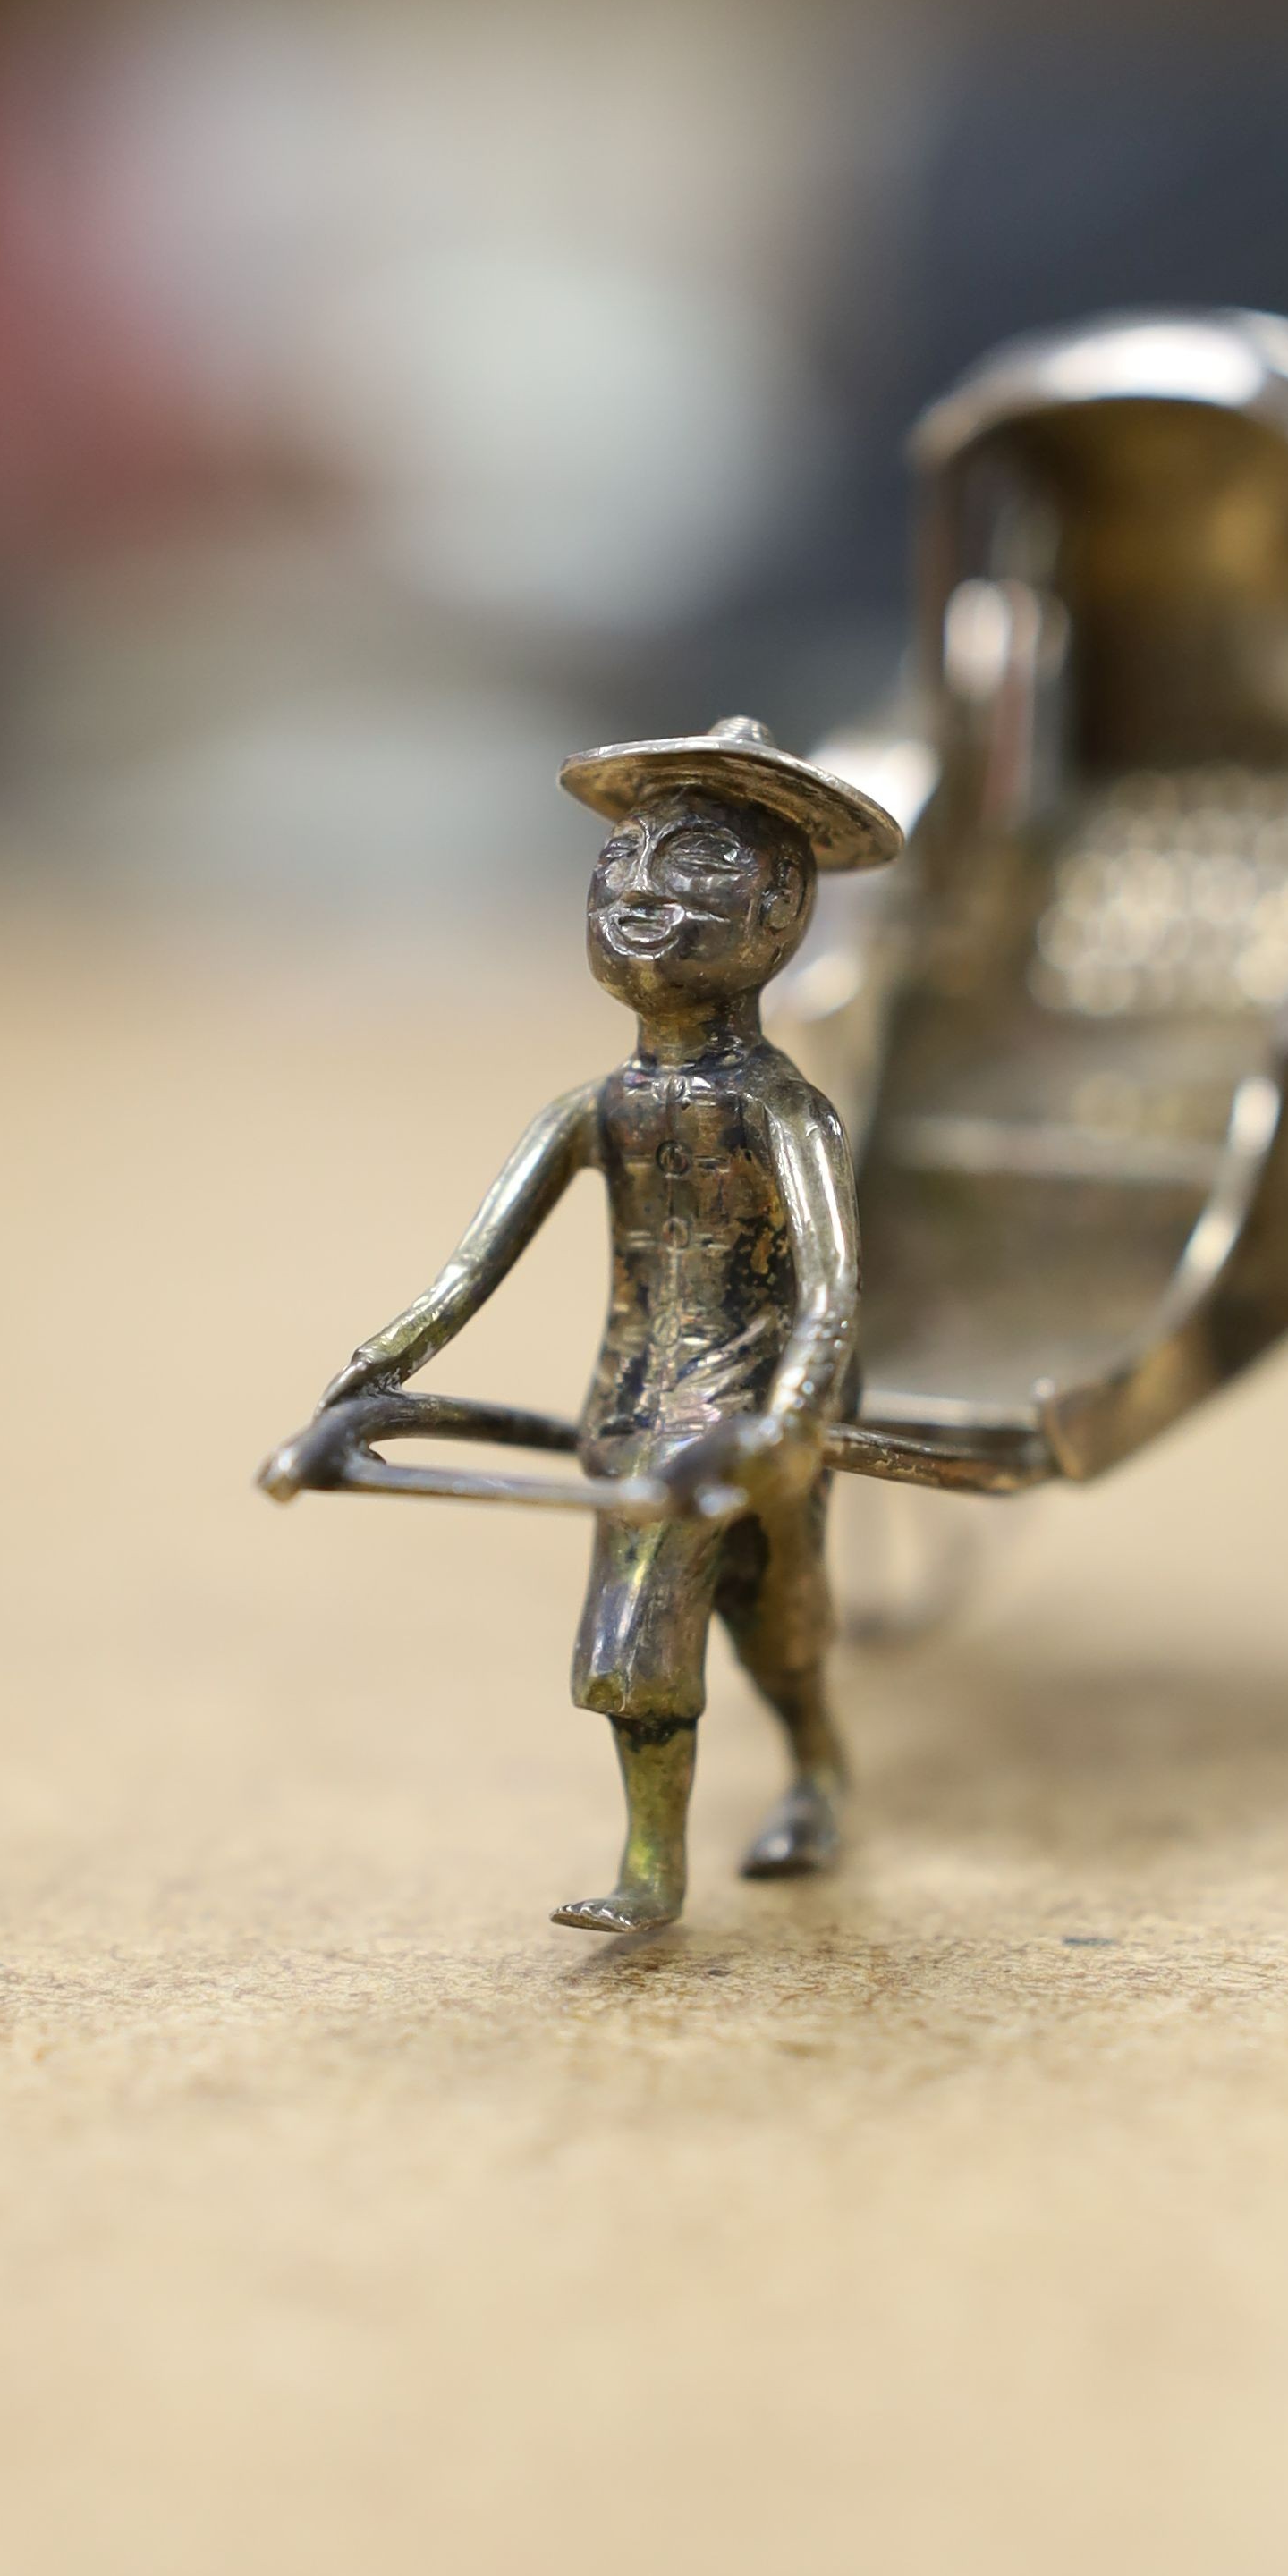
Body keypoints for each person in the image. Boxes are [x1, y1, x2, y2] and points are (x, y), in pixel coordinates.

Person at [312, 717, 902, 1931]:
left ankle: (815, 1769)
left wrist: (793, 1415)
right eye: (617, 866)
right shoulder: (595, 1108)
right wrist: (389, 1357)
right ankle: (654, 1870)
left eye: (695, 867)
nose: (638, 893)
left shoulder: (785, 1109)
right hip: (633, 1410)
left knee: (776, 1630)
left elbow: (836, 1287)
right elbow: (473, 1266)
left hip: (749, 1419)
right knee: (638, 1642)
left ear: (780, 910)